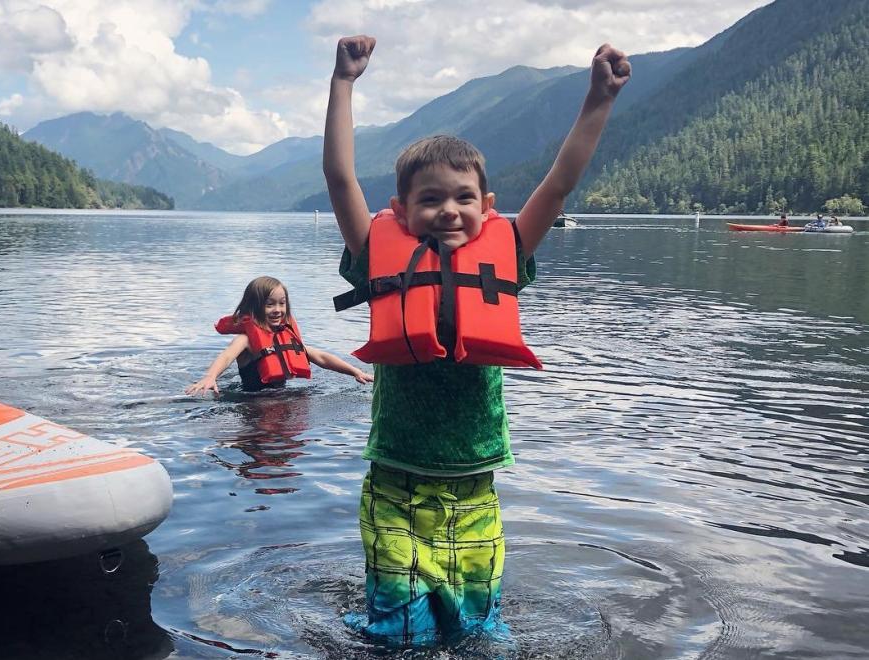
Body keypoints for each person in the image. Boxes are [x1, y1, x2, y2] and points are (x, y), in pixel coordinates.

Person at [323, 35, 630, 645]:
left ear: (488, 208)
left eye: (464, 197)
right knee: (398, 635)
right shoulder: (375, 256)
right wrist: (343, 83)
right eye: (429, 199)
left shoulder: (508, 251)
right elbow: (338, 178)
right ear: (400, 210)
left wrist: (598, 100)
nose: (448, 210)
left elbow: (559, 185)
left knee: (480, 633)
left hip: (476, 481)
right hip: (395, 480)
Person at [185, 276, 373, 395]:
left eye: (281, 303)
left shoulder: (286, 337)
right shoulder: (246, 340)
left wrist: (355, 372)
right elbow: (226, 356)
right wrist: (211, 377)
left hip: (281, 397)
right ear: (253, 307)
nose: (277, 310)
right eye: (269, 304)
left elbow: (322, 357)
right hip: (251, 404)